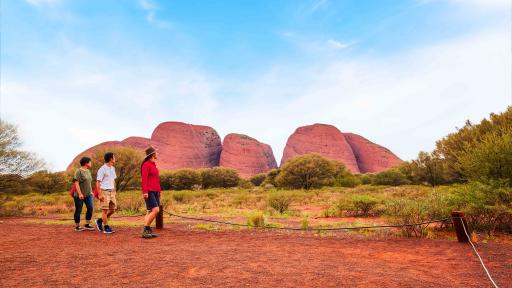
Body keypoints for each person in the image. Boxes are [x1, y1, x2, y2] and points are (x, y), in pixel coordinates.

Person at [141, 147, 161, 239]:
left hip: (156, 191)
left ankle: (148, 230)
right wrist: (145, 192)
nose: (157, 154)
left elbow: (156, 179)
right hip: (149, 191)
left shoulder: (154, 164)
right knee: (156, 210)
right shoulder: (146, 164)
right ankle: (145, 229)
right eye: (156, 152)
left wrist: (159, 191)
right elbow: (144, 179)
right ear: (153, 154)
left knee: (150, 211)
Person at [95, 152, 117, 234]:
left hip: (112, 192)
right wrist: (99, 194)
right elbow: (98, 182)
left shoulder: (113, 168)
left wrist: (115, 191)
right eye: (114, 157)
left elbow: (114, 180)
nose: (115, 159)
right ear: (111, 159)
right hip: (104, 191)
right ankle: (106, 227)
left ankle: (99, 220)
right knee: (104, 210)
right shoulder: (102, 169)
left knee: (112, 210)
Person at [73, 157, 95, 231]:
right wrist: (80, 194)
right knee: (78, 210)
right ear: (86, 163)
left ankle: (87, 224)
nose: (91, 163)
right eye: (90, 162)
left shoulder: (88, 171)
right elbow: (76, 183)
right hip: (80, 195)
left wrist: (91, 192)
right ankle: (77, 226)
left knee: (90, 207)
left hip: (89, 194)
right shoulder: (78, 171)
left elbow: (89, 183)